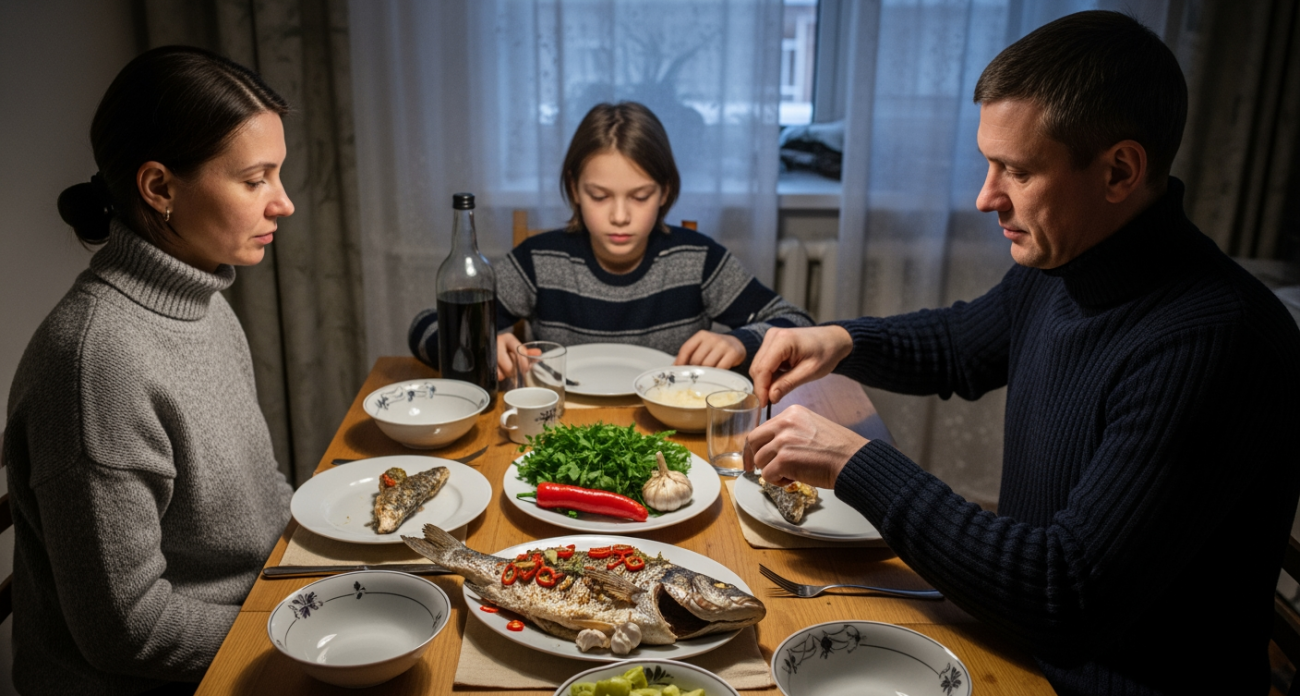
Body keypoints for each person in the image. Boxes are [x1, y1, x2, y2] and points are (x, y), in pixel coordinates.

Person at [744, 11, 1300, 696]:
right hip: (1016, 638)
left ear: (1120, 170)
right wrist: (840, 339)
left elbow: (1064, 594)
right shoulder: (1072, 261)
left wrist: (857, 465)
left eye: (1019, 171)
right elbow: (962, 344)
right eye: (988, 163)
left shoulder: (1216, 342)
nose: (985, 197)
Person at [3, 46, 296, 695]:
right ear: (160, 187)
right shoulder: (96, 366)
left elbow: (260, 490)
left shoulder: (204, 301)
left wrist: (323, 572)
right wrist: (296, 626)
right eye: (256, 180)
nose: (285, 204)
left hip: (255, 621)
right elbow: (126, 630)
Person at [408, 101, 812, 380]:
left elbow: (799, 324)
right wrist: (484, 344)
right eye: (600, 196)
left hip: (672, 439)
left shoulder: (697, 259)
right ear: (575, 190)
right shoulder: (540, 261)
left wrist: (741, 343)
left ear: (665, 192)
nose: (620, 215)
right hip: (558, 432)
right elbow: (423, 327)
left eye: (640, 196)